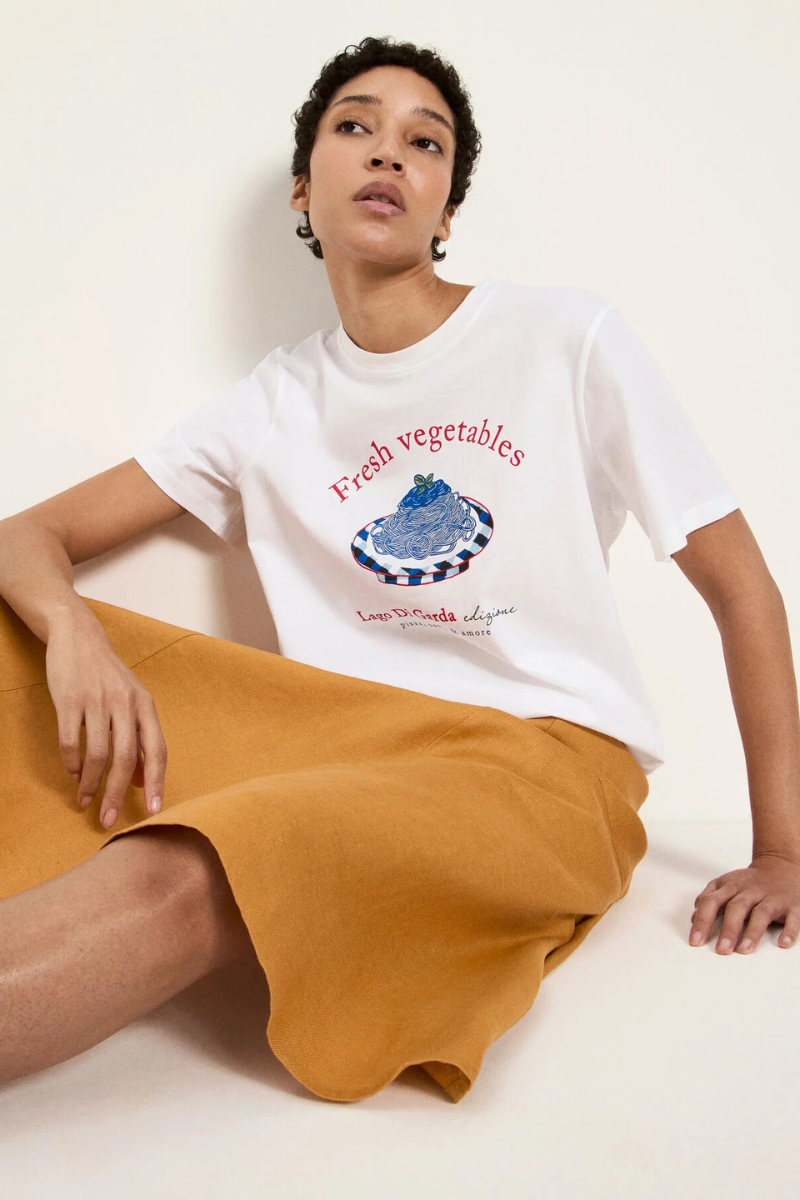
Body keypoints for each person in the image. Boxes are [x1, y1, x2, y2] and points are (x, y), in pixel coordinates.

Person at [1, 35, 799, 1104]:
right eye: (355, 127)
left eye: (425, 144)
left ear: (445, 212)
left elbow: (740, 586)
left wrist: (782, 851)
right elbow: (23, 538)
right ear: (304, 187)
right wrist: (76, 636)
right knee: (15, 632)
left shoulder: (563, 338)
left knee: (209, 861)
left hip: (538, 769)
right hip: (345, 740)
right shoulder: (273, 403)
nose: (388, 153)